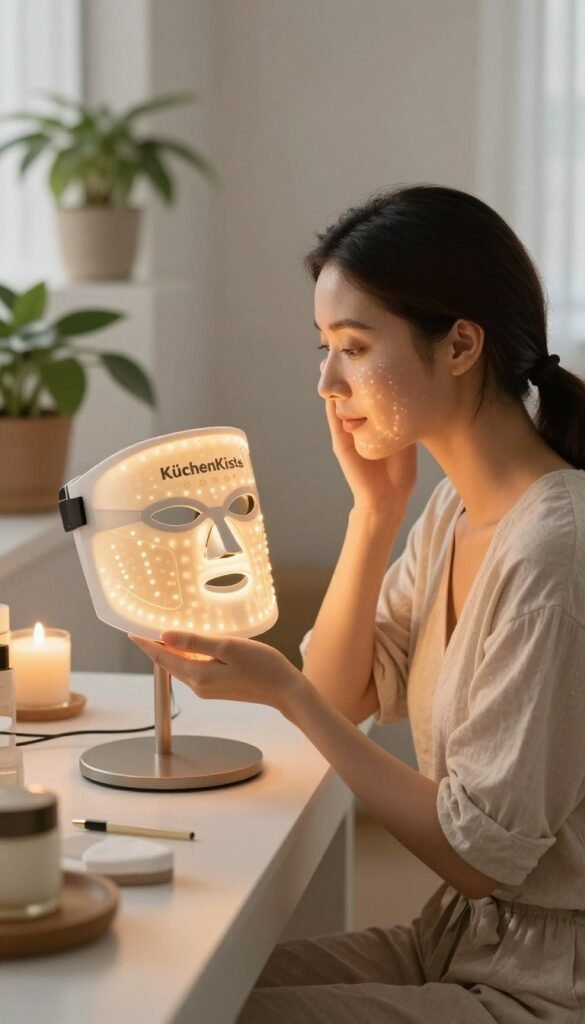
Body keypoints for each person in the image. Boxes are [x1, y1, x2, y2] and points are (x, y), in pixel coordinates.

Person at [130, 185, 585, 1022]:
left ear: (458, 345)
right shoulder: (454, 510)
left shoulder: (552, 552)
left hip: (547, 984)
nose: (326, 381)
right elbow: (349, 691)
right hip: (460, 939)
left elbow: (478, 858)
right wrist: (372, 515)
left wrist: (286, 695)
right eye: (324, 346)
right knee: (161, 986)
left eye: (353, 346)